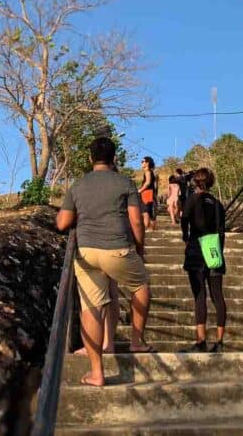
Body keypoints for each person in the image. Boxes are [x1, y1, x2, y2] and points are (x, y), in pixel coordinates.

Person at [56, 137, 154, 388]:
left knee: (92, 308)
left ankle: (97, 373)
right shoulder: (125, 182)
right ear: (114, 158)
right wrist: (140, 249)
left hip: (86, 251)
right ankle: (136, 340)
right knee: (141, 285)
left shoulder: (78, 185)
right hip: (117, 249)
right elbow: (136, 221)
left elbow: (62, 223)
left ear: (90, 158)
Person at [180, 168, 228, 353]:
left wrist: (186, 236)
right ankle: (220, 341)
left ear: (195, 182)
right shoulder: (218, 204)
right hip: (214, 251)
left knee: (200, 295)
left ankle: (201, 341)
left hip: (196, 250)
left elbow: (184, 219)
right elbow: (222, 230)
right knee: (218, 295)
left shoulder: (193, 199)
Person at [137, 156, 157, 231]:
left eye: (143, 161)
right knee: (150, 211)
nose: (141, 163)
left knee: (145, 211)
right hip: (150, 192)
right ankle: (152, 228)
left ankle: (146, 227)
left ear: (147, 163)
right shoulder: (151, 172)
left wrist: (140, 190)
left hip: (146, 192)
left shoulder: (147, 171)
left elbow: (147, 183)